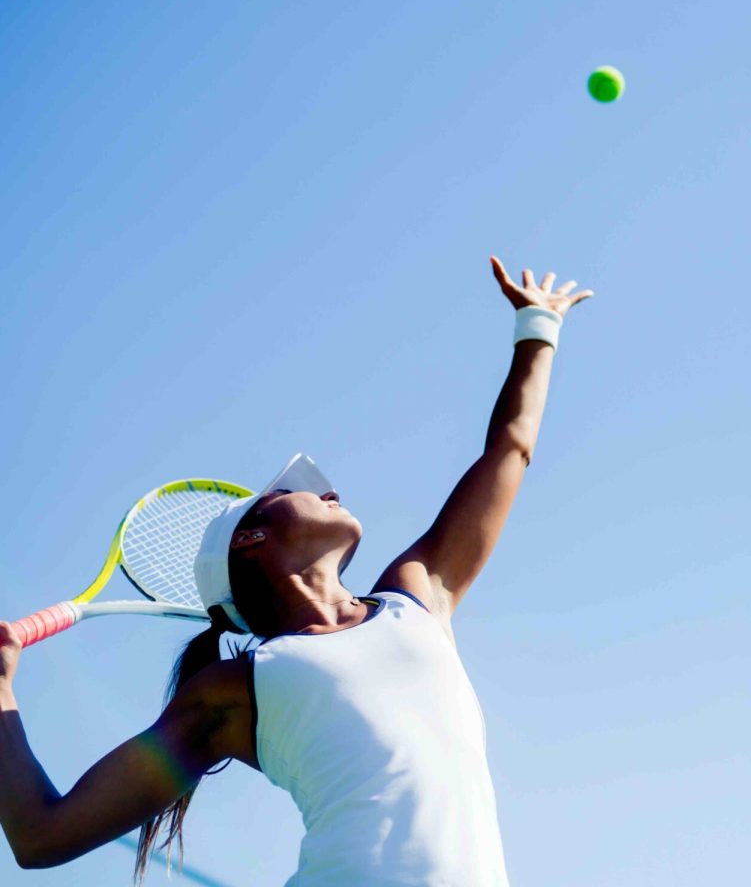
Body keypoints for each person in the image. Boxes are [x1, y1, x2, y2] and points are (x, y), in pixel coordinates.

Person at [0, 256, 594, 886]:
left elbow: (509, 449)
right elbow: (42, 836)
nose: (326, 488)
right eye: (293, 488)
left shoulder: (418, 594)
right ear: (251, 537)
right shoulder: (233, 691)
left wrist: (537, 326)